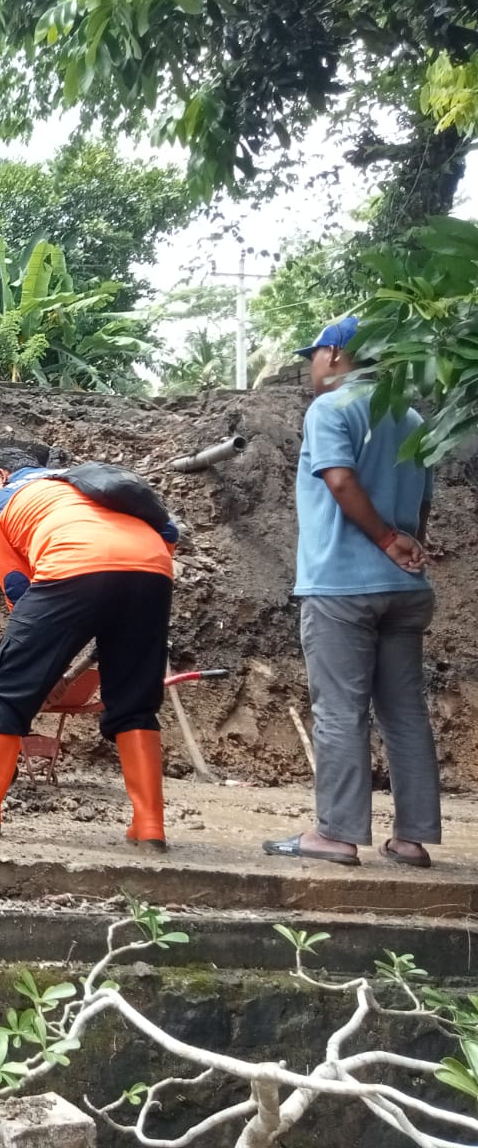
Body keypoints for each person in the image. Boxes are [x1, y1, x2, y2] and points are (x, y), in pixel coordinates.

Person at [0, 447, 178, 846]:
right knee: (134, 699)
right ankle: (149, 824)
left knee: (6, 685)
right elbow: (169, 531)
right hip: (152, 568)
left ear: (0, 475)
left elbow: (19, 591)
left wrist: (33, 664)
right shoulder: (81, 483)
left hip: (74, 563)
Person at [262, 316, 440, 868]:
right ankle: (411, 839)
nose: (311, 367)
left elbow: (339, 479)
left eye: (313, 355)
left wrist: (384, 539)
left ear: (336, 354)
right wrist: (404, 546)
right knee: (404, 710)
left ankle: (336, 835)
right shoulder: (410, 416)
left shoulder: (331, 409)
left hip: (341, 586)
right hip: (404, 589)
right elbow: (424, 503)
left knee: (339, 709)